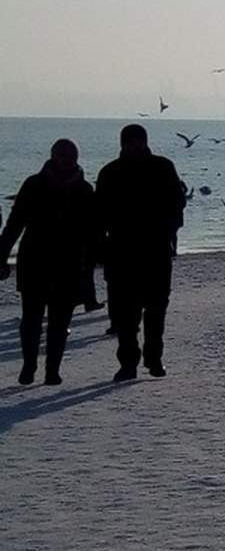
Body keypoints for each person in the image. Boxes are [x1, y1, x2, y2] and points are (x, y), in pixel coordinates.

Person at [0, 139, 96, 385]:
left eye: (70, 156)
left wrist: (93, 261)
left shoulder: (84, 190)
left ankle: (52, 369)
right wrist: (2, 254)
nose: (66, 160)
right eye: (62, 155)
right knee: (31, 318)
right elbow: (15, 223)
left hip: (69, 262)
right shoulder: (33, 185)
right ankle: (29, 364)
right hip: (34, 260)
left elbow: (92, 231)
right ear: (53, 156)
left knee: (60, 319)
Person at [95, 123, 186, 380]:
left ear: (145, 142)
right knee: (125, 315)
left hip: (155, 249)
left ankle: (154, 359)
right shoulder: (110, 172)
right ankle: (128, 363)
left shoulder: (163, 167)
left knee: (156, 309)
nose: (134, 146)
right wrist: (100, 248)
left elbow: (178, 204)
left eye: (138, 141)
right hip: (121, 252)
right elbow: (98, 214)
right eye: (129, 142)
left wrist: (169, 231)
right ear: (122, 143)